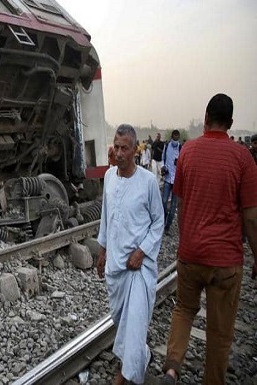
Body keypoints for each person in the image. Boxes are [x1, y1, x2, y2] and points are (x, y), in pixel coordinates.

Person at [160, 94, 257, 385]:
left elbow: (180, 200)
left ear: (205, 119)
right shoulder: (243, 158)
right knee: (220, 332)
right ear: (229, 123)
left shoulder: (188, 151)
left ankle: (172, 369)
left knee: (183, 310)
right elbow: (251, 218)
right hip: (225, 262)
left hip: (190, 255)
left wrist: (187, 240)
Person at [96, 124, 164, 385]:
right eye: (117, 146)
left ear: (136, 150)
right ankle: (140, 356)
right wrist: (102, 252)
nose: (120, 152)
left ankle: (125, 376)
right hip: (116, 268)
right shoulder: (110, 178)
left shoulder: (147, 182)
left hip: (138, 269)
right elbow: (105, 217)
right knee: (121, 320)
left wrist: (142, 252)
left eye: (125, 148)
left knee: (134, 325)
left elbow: (158, 222)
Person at [161, 130, 181, 235]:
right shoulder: (167, 145)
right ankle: (164, 217)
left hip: (177, 180)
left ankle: (167, 227)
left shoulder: (181, 148)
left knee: (173, 206)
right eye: (174, 135)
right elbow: (163, 158)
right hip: (168, 178)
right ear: (172, 136)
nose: (176, 137)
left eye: (177, 136)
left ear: (179, 137)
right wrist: (163, 167)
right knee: (164, 201)